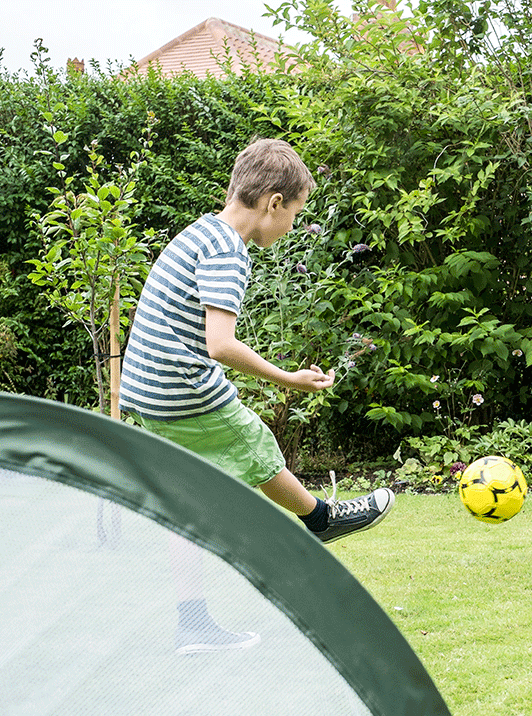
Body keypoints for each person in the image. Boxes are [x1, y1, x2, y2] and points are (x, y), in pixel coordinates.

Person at [120, 138, 395, 652]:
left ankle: (191, 624)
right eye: (294, 213)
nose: (291, 226)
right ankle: (321, 519)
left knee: (190, 502)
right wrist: (288, 378)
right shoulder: (228, 251)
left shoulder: (201, 231)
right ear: (272, 202)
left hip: (147, 391)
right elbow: (219, 344)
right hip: (181, 387)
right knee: (256, 445)